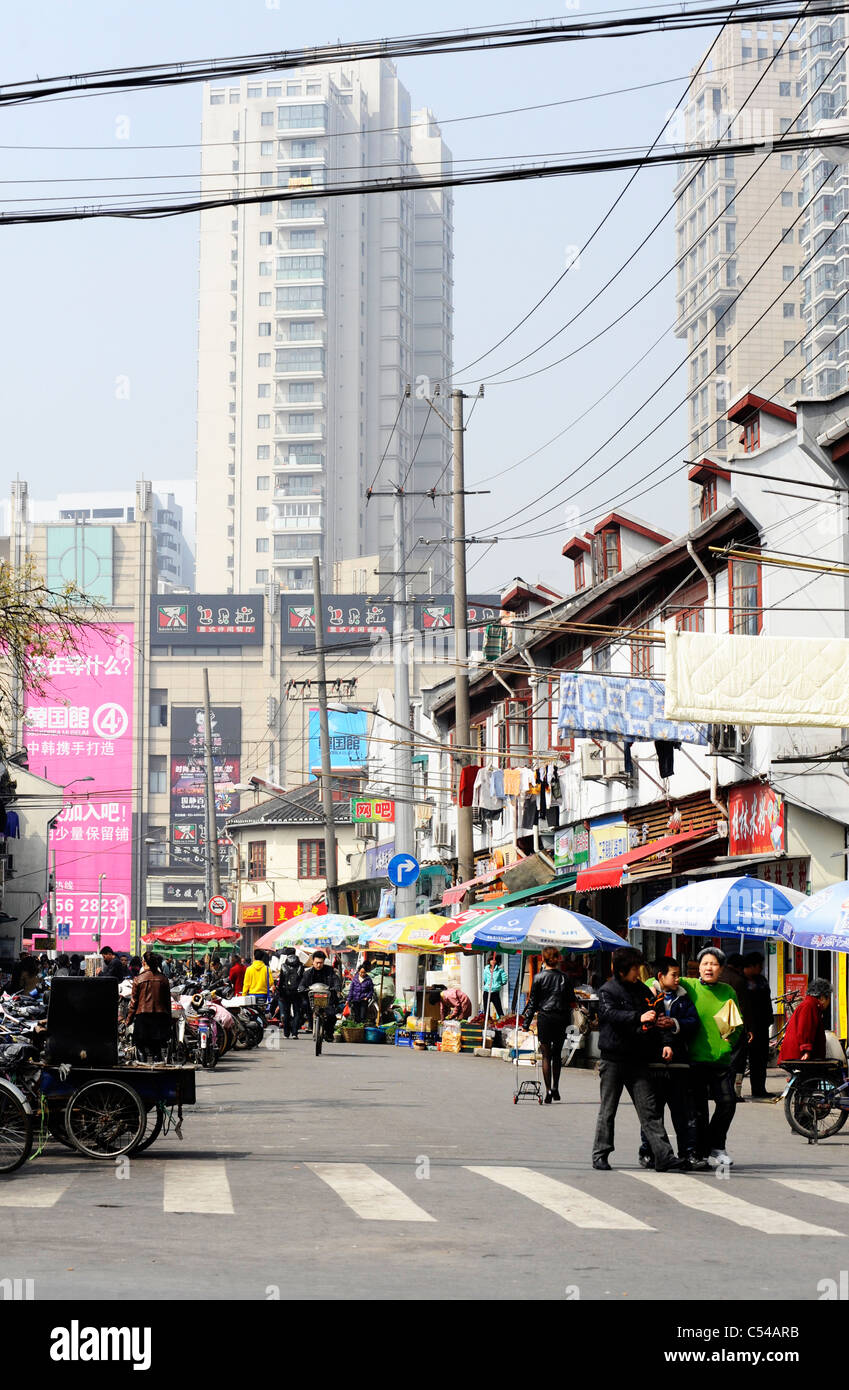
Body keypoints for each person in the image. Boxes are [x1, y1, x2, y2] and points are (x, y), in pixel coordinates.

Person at [591, 946, 683, 1173]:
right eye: (634, 969)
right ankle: (600, 1154)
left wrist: (665, 1043)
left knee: (649, 1110)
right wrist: (637, 1016)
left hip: (638, 1059)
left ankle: (664, 1156)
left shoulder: (643, 991)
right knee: (608, 1109)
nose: (638, 973)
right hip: (613, 1059)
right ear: (622, 970)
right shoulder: (607, 991)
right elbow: (609, 1015)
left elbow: (658, 1016)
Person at [679, 947, 743, 1169]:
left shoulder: (728, 991)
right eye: (705, 963)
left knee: (727, 1103)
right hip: (695, 1059)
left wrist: (728, 1045)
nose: (709, 968)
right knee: (699, 1109)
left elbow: (735, 1025)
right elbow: (658, 981)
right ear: (699, 967)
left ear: (721, 969)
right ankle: (701, 1150)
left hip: (721, 1060)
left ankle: (717, 1145)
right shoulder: (690, 986)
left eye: (714, 964)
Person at [639, 958, 700, 1168]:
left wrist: (675, 1023)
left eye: (678, 974)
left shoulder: (683, 998)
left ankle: (688, 1153)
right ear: (660, 976)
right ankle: (648, 1152)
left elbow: (694, 1023)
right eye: (673, 974)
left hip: (679, 1064)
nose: (677, 979)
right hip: (652, 1063)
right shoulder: (646, 997)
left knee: (683, 1112)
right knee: (652, 1113)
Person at [520, 946, 576, 1104]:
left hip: (545, 1018)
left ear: (543, 959)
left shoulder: (538, 978)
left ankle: (548, 1090)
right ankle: (556, 1087)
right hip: (562, 1018)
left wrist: (525, 1024)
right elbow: (571, 999)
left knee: (546, 1055)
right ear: (558, 959)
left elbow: (532, 1003)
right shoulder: (565, 977)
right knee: (557, 1053)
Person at [719, 952, 755, 1100]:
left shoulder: (720, 976)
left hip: (717, 1023)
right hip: (734, 1024)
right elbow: (744, 1007)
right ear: (740, 967)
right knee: (734, 1060)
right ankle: (730, 1091)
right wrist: (749, 1028)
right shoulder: (739, 980)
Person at [126, 951, 173, 1061]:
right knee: (157, 1049)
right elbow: (167, 1003)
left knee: (140, 1048)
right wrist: (169, 1020)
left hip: (142, 1018)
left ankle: (143, 1072)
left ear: (144, 963)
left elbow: (134, 1003)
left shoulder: (138, 979)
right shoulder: (163, 979)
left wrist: (128, 1020)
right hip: (159, 1017)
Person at [742, 951, 775, 1098]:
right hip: (745, 1027)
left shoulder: (761, 980)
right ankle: (734, 1090)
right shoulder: (740, 981)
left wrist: (769, 1019)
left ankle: (759, 1088)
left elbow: (767, 1002)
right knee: (740, 1060)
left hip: (761, 1026)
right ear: (752, 965)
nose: (761, 968)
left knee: (760, 1060)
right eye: (760, 965)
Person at [779, 978, 832, 1062]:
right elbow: (805, 1029)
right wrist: (806, 1050)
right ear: (822, 998)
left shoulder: (812, 1005)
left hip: (800, 1054)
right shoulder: (809, 1006)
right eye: (829, 998)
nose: (829, 1002)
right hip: (799, 1055)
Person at [301, 951, 341, 1041]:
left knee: (331, 1016)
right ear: (313, 962)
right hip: (312, 999)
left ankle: (328, 1033)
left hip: (327, 999)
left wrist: (336, 987)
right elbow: (302, 984)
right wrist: (302, 988)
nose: (319, 965)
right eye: (317, 963)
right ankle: (310, 1024)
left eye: (321, 963)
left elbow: (336, 980)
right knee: (303, 1006)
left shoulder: (330, 971)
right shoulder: (307, 973)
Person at [277, 949, 304, 1038]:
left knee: (286, 1012)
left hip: (285, 992)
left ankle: (286, 1033)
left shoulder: (283, 966)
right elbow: (302, 980)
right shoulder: (300, 965)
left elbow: (281, 981)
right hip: (297, 992)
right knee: (297, 1012)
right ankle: (295, 1033)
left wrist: (280, 992)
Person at [482, 954, 508, 1020]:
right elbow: (485, 979)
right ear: (489, 961)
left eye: (494, 960)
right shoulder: (486, 969)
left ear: (496, 961)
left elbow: (504, 979)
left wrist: (499, 984)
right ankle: (487, 1022)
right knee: (486, 1011)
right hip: (487, 991)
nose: (492, 961)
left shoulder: (500, 970)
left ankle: (502, 1022)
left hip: (495, 992)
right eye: (491, 960)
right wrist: (487, 985)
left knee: (499, 1010)